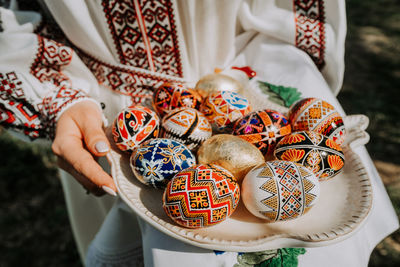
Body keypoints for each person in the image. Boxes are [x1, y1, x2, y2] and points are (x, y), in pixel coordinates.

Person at [0, 0, 398, 266]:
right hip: (108, 106)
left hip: (246, 80)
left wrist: (268, 84)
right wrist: (63, 99)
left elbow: (288, 11)